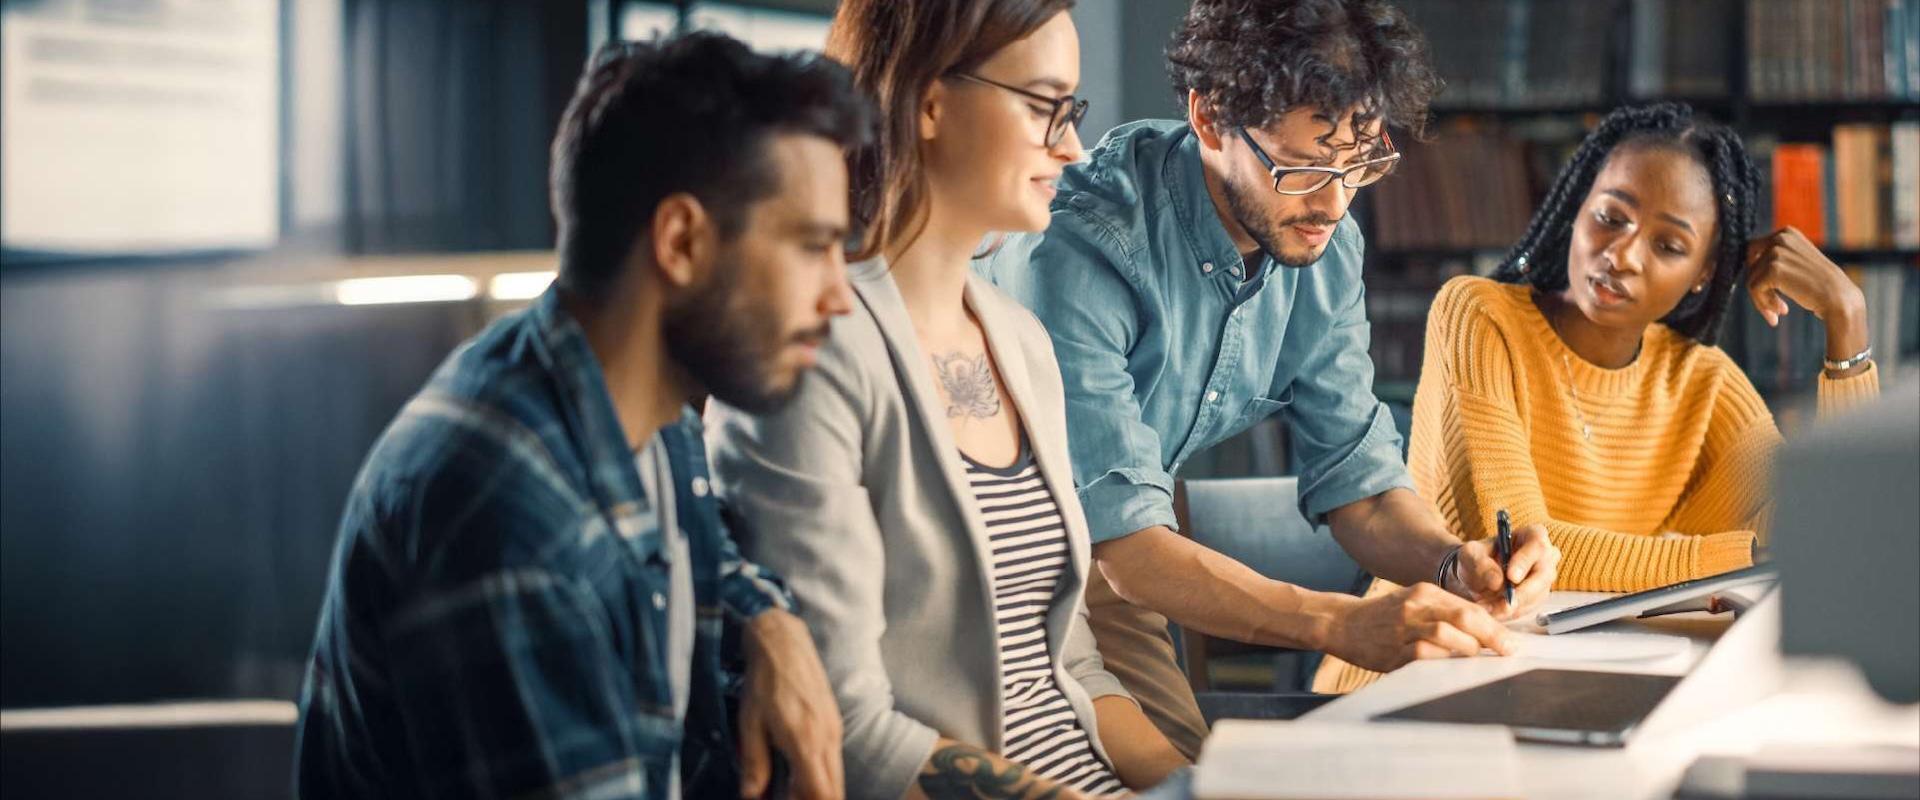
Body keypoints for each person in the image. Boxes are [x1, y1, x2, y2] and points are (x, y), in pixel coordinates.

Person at [293, 33, 874, 799]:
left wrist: (769, 620)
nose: (839, 296)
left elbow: (709, 566)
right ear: (681, 242)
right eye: (812, 247)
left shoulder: (650, 412)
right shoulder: (505, 513)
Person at [976, 0, 1560, 757]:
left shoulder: (1324, 244)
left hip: (1122, 547)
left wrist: (1455, 564)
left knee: (1198, 769)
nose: (1334, 203)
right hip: (1007, 559)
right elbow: (1127, 552)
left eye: (1359, 163)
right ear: (1210, 118)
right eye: (1302, 169)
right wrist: (1341, 625)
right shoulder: (1084, 244)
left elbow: (1361, 488)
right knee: (1176, 776)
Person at [705, 2, 1188, 798]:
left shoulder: (1022, 340)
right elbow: (850, 730)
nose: (1072, 146)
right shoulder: (810, 352)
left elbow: (1071, 666)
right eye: (1043, 107)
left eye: (1072, 112)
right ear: (929, 102)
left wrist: (1198, 785)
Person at [1317, 102, 1882, 692]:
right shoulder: (1479, 318)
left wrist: (1846, 319)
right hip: (1414, 676)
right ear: (1578, 205)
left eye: (1669, 245)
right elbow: (1520, 559)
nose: (1622, 255)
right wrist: (1745, 557)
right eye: (1611, 216)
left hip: (1575, 681)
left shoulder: (1705, 384)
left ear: (1704, 273)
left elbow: (1847, 544)